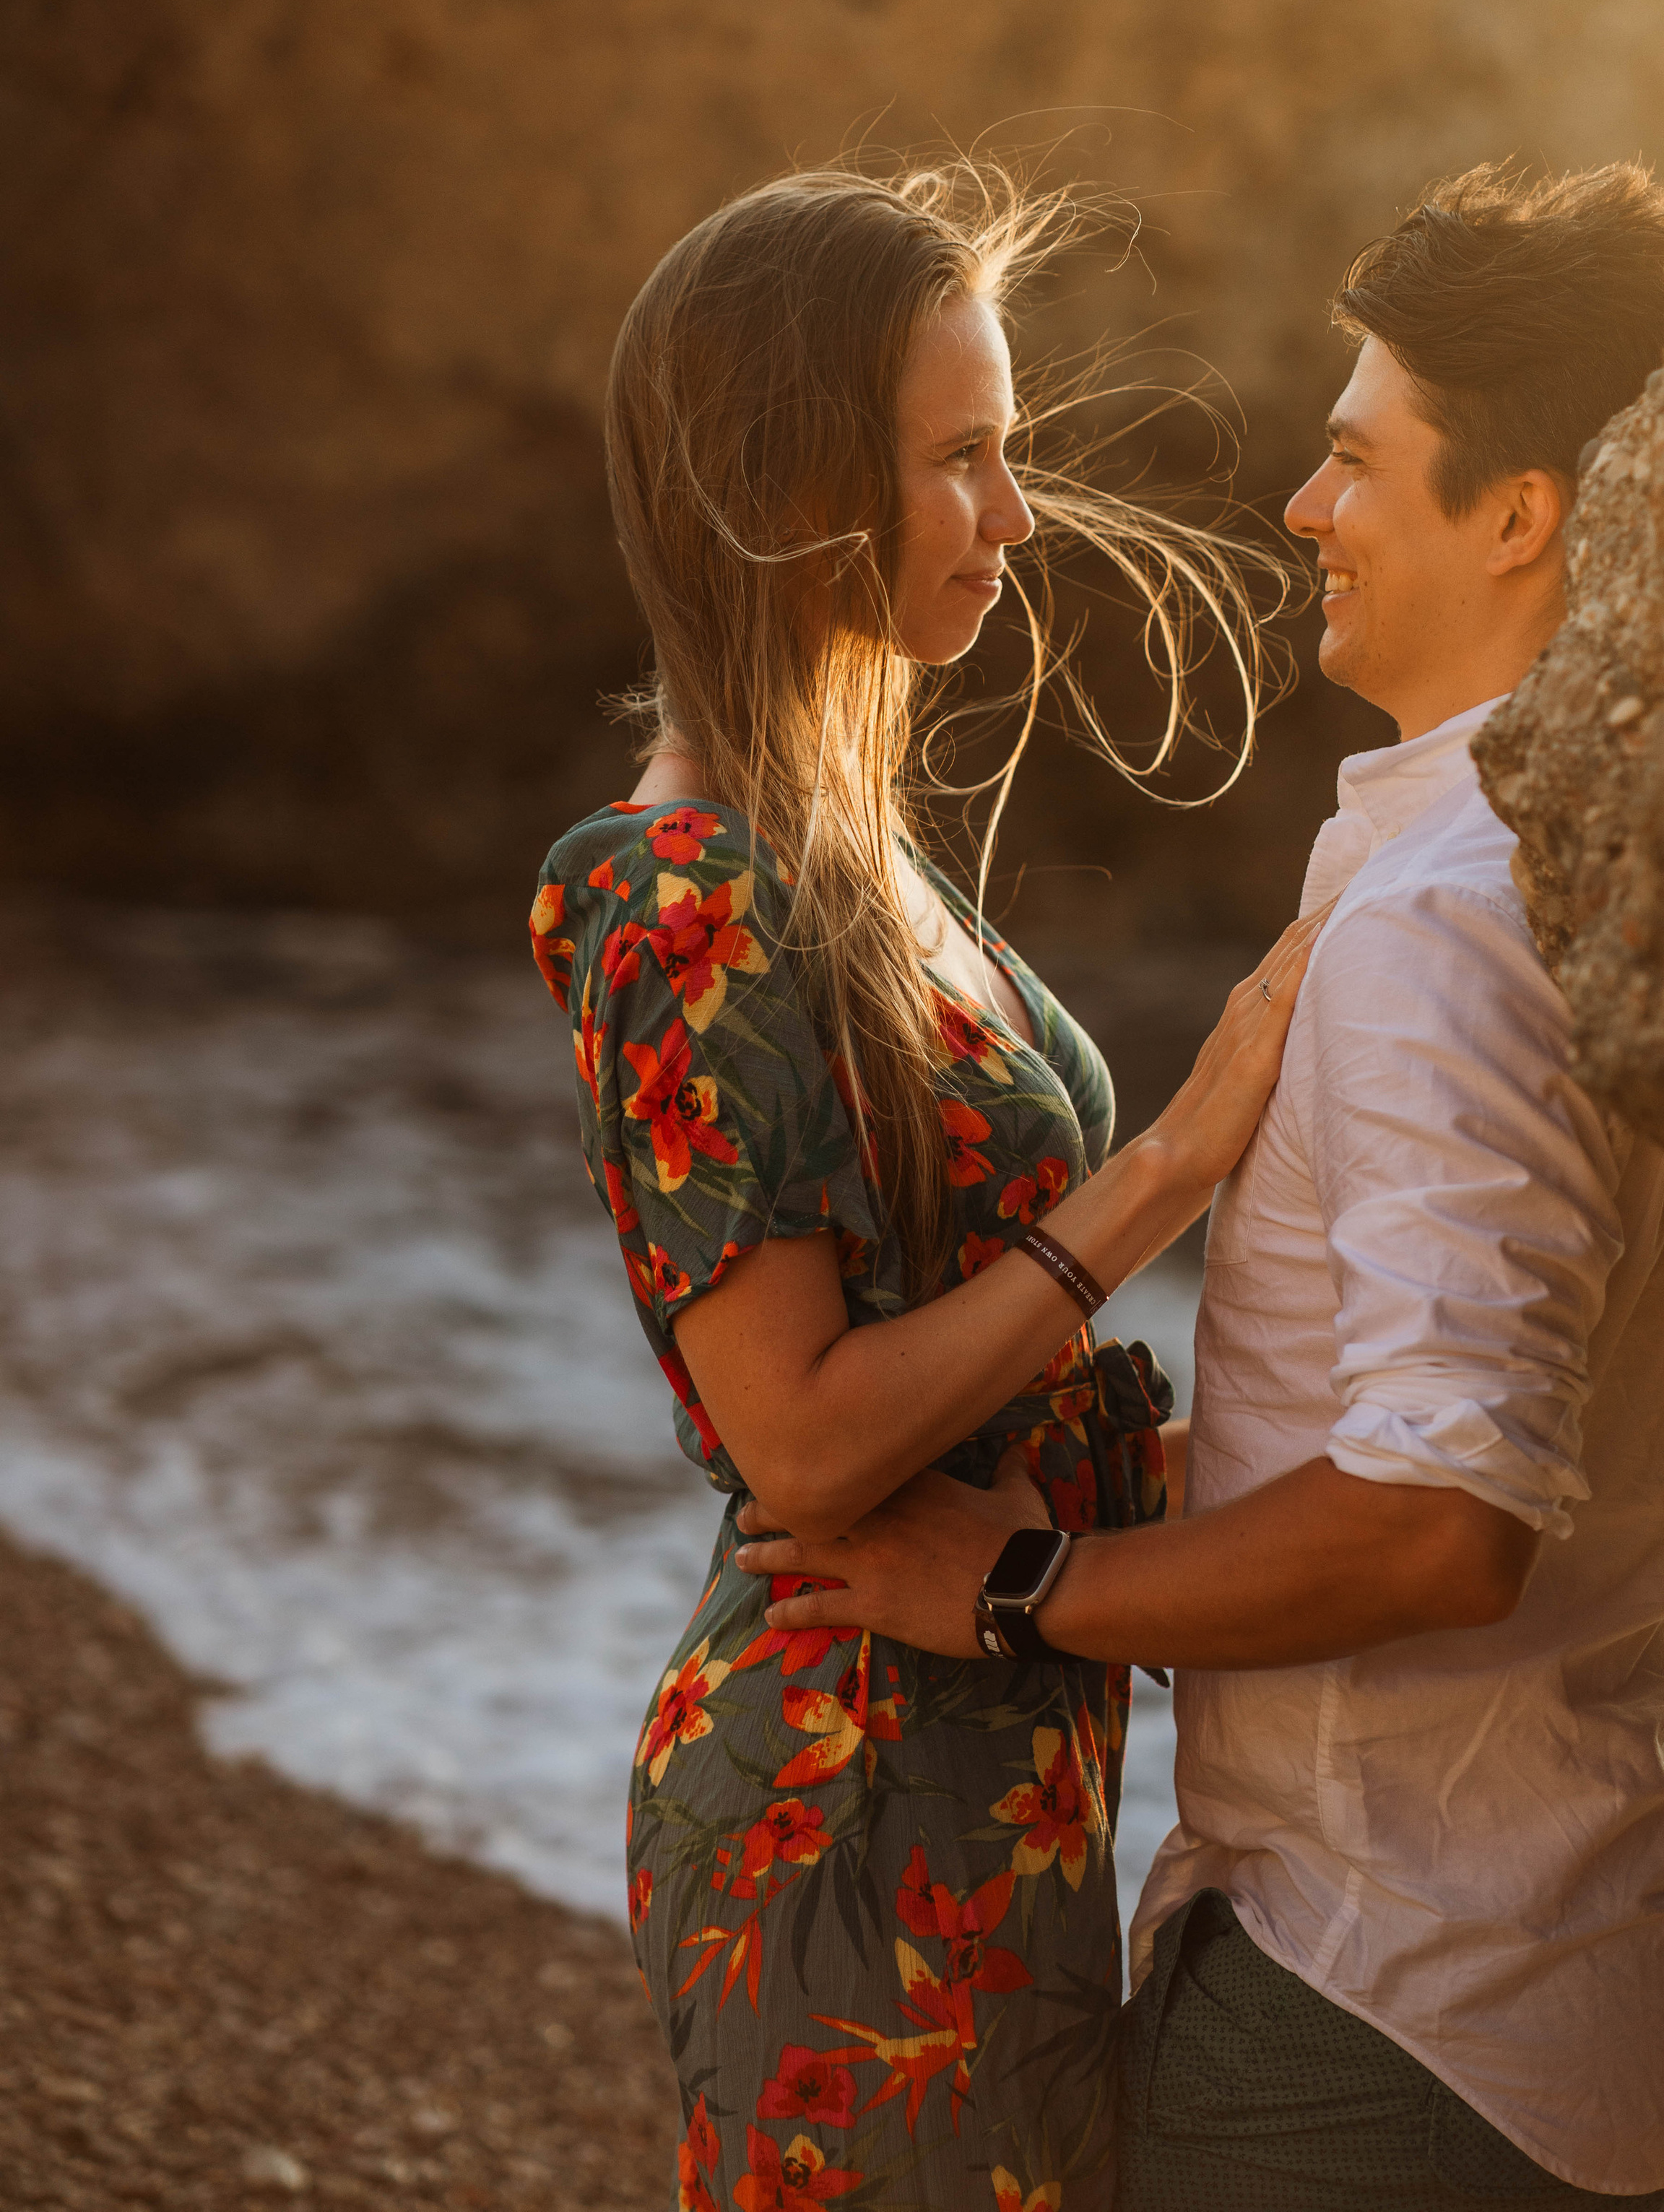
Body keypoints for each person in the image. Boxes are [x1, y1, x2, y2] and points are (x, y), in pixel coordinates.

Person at [737, 161, 1664, 2210]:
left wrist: (1015, 1591)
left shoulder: (1455, 911)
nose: (1303, 511)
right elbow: (1588, 1419)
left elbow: (1443, 1524)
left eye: (1356, 464)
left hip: (1427, 2015)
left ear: (1522, 516)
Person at [528, 163, 1317, 2212]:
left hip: (987, 1740)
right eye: (961, 458)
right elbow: (798, 1443)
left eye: (1013, 451)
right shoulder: (681, 895)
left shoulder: (855, 852)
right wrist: (1174, 1165)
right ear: (795, 484)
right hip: (843, 1785)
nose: (1018, 515)